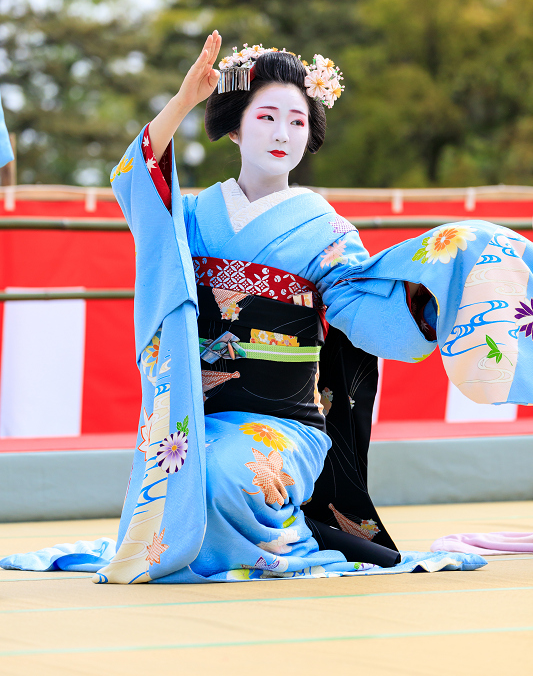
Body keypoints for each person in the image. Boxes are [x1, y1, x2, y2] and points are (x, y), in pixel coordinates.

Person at [3, 33, 532, 583]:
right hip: (195, 420)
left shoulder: (325, 230)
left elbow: (366, 317)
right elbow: (135, 180)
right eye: (267, 116)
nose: (283, 133)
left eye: (298, 122)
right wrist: (185, 99)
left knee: (236, 474)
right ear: (235, 125)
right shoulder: (192, 216)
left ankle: (275, 544)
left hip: (282, 424)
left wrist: (432, 299)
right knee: (183, 472)